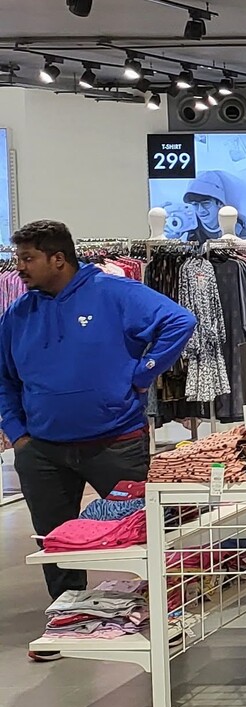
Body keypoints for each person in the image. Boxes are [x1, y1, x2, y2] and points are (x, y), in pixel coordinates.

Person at [0, 219, 196, 612]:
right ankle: (70, 616)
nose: (19, 267)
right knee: (56, 544)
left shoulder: (114, 292)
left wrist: (143, 373)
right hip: (43, 451)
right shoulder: (18, 313)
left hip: (115, 443)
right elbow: (4, 378)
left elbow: (180, 321)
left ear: (58, 259)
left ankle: (162, 614)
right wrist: (17, 434)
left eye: (28, 258)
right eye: (18, 258)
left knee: (141, 535)